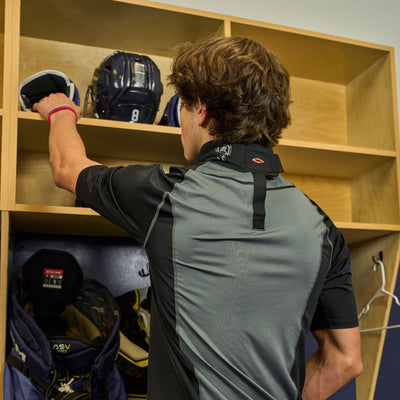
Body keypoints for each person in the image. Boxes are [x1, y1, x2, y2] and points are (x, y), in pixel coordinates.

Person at [33, 37, 363, 400]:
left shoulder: (167, 195)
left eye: (184, 111)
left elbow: (68, 168)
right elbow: (344, 361)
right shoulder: (322, 228)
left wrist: (59, 109)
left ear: (201, 110)